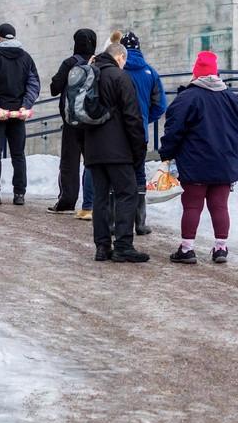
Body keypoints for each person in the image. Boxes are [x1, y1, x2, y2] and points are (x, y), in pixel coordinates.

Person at [158, 51, 238, 265]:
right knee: (220, 206)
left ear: (196, 73)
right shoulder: (232, 98)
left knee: (192, 206)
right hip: (225, 163)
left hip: (195, 162)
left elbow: (173, 129)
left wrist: (167, 154)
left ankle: (187, 249)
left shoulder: (187, 98)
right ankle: (220, 248)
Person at [84, 42, 148, 263]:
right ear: (120, 57)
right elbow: (133, 117)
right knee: (127, 194)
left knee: (100, 198)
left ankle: (102, 247)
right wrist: (139, 149)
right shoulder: (121, 78)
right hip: (118, 150)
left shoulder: (89, 76)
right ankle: (123, 245)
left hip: (93, 150)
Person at [0, 23, 40, 206]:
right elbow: (34, 83)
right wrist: (25, 105)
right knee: (18, 154)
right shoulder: (26, 57)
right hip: (18, 113)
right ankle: (19, 194)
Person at [116, 31, 168, 235]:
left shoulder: (116, 71)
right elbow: (160, 105)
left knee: (116, 176)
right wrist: (145, 119)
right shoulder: (151, 73)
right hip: (140, 134)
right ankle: (140, 223)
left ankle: (114, 223)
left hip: (117, 135)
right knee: (138, 175)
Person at [47, 28, 97, 213]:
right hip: (93, 121)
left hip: (72, 121)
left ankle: (67, 202)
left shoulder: (70, 62)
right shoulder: (97, 62)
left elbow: (55, 88)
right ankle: (91, 203)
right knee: (92, 161)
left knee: (69, 162)